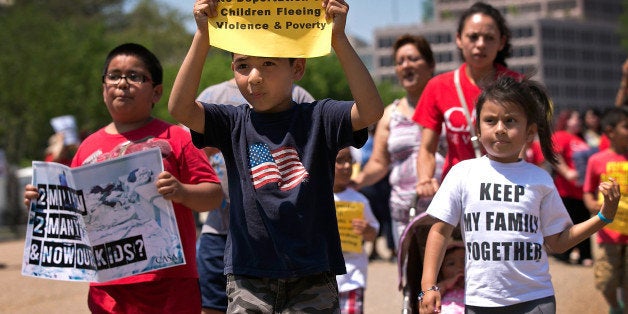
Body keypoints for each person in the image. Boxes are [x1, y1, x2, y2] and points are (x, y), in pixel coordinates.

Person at [168, 0, 384, 312]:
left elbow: (371, 110)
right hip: (248, 275)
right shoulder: (232, 122)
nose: (254, 77)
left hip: (312, 273)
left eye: (268, 64)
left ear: (297, 67)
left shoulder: (320, 117)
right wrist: (203, 36)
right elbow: (180, 108)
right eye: (243, 66)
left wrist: (339, 40)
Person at [23, 43, 223, 313]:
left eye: (135, 76)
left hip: (170, 287)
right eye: (114, 76)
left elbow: (212, 195)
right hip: (108, 290)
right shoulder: (87, 148)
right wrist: (44, 203)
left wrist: (182, 192)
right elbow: (75, 216)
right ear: (103, 87)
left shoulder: (175, 139)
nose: (123, 83)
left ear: (157, 92)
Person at [419, 76, 620, 313]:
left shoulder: (540, 180)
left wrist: (604, 216)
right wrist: (428, 286)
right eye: (490, 121)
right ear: (477, 127)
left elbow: (558, 242)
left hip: (535, 300)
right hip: (480, 301)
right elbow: (440, 231)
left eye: (510, 120)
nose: (500, 129)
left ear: (530, 132)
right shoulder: (462, 173)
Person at [195, 78, 314, 314]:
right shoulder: (212, 95)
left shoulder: (297, 95)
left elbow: (312, 151)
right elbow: (193, 147)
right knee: (213, 304)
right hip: (219, 228)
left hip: (277, 236)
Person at [413, 1, 522, 199]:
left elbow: (529, 141)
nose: (480, 44)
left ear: (501, 42)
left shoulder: (518, 85)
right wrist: (424, 180)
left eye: (489, 38)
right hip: (458, 193)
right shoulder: (438, 86)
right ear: (459, 39)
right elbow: (427, 149)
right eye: (473, 37)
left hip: (507, 191)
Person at [352, 34, 443, 254]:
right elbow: (379, 163)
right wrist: (355, 181)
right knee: (412, 284)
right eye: (400, 61)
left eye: (412, 59)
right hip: (405, 214)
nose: (406, 66)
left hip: (447, 212)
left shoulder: (447, 108)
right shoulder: (390, 115)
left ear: (430, 65)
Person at [583, 106, 628, 314]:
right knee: (607, 280)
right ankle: (615, 306)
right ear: (610, 132)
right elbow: (587, 192)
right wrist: (592, 204)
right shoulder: (596, 160)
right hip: (608, 234)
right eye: (626, 127)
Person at [333, 147, 379, 314]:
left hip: (352, 276)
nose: (346, 166)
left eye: (350, 161)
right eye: (340, 160)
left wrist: (367, 230)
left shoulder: (359, 200)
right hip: (321, 280)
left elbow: (373, 232)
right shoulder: (316, 198)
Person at [551, 109, 594, 266]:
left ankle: (585, 255)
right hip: (566, 190)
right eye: (575, 118)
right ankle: (564, 253)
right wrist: (567, 172)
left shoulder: (582, 139)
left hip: (581, 191)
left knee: (583, 223)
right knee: (567, 224)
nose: (579, 121)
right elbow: (555, 154)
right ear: (566, 120)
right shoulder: (561, 135)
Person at [436, 244, 465, 314]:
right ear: (441, 270)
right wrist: (444, 285)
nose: (459, 267)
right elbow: (421, 298)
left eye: (464, 262)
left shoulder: (475, 289)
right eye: (451, 263)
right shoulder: (438, 287)